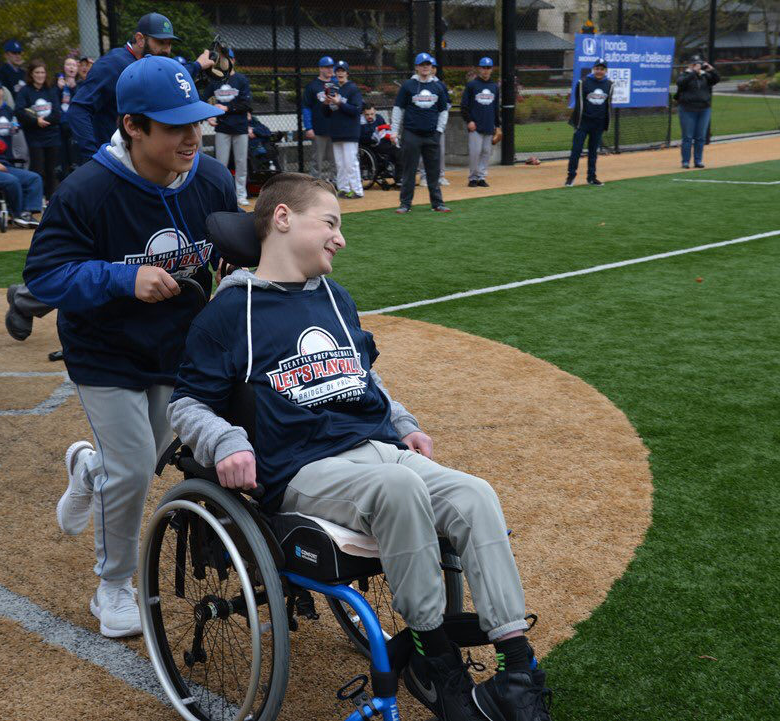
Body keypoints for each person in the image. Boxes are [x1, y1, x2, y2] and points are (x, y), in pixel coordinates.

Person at [169, 172, 553, 721]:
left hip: (376, 449)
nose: (340, 238)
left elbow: (361, 381)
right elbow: (185, 405)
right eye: (330, 222)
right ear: (282, 220)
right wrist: (227, 440)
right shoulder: (231, 313)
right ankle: (436, 664)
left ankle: (517, 672)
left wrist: (403, 423)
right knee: (397, 487)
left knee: (475, 495)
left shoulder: (335, 297)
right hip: (304, 468)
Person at [23, 56, 238, 638]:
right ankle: (112, 585)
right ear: (133, 126)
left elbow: (231, 249)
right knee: (138, 466)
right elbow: (43, 277)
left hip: (178, 346)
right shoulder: (88, 189)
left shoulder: (212, 179)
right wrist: (123, 279)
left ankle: (89, 470)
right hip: (105, 349)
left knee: (145, 459)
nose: (192, 136)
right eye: (174, 126)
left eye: (196, 122)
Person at [68, 12, 215, 160]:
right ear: (140, 39)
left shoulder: (148, 65)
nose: (166, 49)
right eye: (160, 42)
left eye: (169, 43)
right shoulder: (112, 64)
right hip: (114, 156)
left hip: (137, 156)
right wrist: (91, 156)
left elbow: (165, 76)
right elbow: (79, 109)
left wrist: (197, 65)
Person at [392, 53, 451, 214]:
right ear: (416, 67)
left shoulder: (438, 87)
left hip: (432, 135)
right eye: (422, 64)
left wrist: (439, 131)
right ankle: (405, 204)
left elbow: (443, 111)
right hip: (411, 134)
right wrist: (394, 131)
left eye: (428, 64)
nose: (425, 67)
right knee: (409, 170)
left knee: (434, 171)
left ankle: (437, 203)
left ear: (432, 67)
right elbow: (398, 109)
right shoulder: (408, 86)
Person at [207, 48, 252, 205]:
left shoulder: (241, 79)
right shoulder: (216, 80)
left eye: (230, 59)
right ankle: (222, 195)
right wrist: (208, 115)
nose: (227, 62)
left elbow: (246, 104)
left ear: (233, 61)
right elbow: (203, 97)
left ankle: (241, 194)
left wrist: (227, 108)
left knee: (241, 163)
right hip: (222, 128)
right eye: (224, 60)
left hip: (240, 127)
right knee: (221, 164)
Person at [15, 58, 61, 201]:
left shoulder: (51, 90)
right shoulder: (25, 91)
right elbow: (19, 111)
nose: (40, 75)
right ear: (31, 74)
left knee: (51, 170)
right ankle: (36, 200)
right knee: (38, 170)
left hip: (51, 135)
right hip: (34, 137)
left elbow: (57, 113)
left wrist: (45, 121)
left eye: (42, 72)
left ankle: (50, 199)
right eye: (37, 72)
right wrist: (36, 121)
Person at [565, 58, 613, 187]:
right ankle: (570, 177)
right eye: (597, 68)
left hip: (598, 124)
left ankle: (591, 177)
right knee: (576, 150)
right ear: (593, 69)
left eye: (602, 69)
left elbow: (608, 105)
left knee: (593, 152)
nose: (599, 71)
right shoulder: (583, 82)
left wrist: (605, 124)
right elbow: (579, 103)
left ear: (605, 71)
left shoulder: (609, 84)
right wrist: (577, 123)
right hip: (583, 123)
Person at [322, 60, 364, 199]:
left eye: (342, 71)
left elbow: (356, 110)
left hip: (349, 131)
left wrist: (339, 102)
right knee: (340, 164)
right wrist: (326, 104)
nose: (340, 73)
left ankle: (357, 190)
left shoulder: (353, 89)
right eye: (338, 71)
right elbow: (327, 113)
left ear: (347, 73)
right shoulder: (333, 89)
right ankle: (344, 189)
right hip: (336, 131)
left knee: (350, 163)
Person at [461, 56, 500, 188]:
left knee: (486, 152)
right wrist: (469, 121)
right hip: (475, 125)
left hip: (489, 125)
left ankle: (481, 177)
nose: (485, 70)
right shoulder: (472, 85)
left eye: (488, 68)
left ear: (492, 70)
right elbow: (464, 106)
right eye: (483, 67)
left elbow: (495, 107)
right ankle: (472, 178)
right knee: (475, 152)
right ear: (479, 69)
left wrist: (497, 125)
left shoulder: (494, 86)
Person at [675, 55, 719, 169]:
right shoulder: (684, 75)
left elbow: (716, 79)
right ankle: (685, 161)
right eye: (694, 64)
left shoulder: (704, 76)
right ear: (690, 65)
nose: (697, 66)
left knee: (700, 137)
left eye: (698, 64)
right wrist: (693, 72)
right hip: (687, 109)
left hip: (704, 109)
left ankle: (698, 161)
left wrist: (711, 69)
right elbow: (681, 83)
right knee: (688, 137)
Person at [302, 56, 336, 181]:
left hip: (335, 128)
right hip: (318, 128)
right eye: (327, 67)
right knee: (317, 160)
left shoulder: (336, 84)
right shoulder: (312, 86)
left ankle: (336, 185)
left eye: (331, 67)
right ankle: (315, 186)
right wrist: (308, 127)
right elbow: (306, 108)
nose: (330, 70)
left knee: (335, 160)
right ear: (320, 68)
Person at [360, 101, 401, 183]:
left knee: (400, 151)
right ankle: (399, 178)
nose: (370, 116)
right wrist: (374, 134)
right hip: (370, 145)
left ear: (375, 112)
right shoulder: (361, 122)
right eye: (367, 114)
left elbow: (386, 130)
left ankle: (399, 177)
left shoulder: (379, 118)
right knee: (396, 152)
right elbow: (361, 137)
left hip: (383, 143)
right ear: (363, 113)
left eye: (372, 114)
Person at [57, 56, 79, 176]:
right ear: (64, 68)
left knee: (75, 160)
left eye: (74, 65)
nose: (71, 67)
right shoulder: (58, 84)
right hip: (60, 126)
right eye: (68, 64)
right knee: (62, 160)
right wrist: (59, 89)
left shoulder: (80, 85)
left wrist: (74, 88)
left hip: (74, 126)